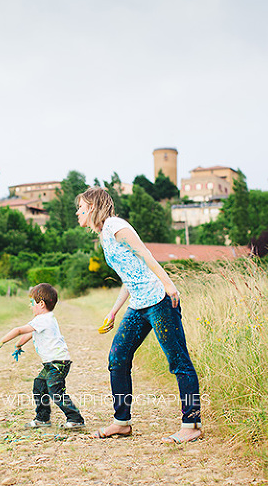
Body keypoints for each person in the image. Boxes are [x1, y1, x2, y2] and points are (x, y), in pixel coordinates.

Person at [76, 186, 202, 443]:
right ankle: (121, 423)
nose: (78, 212)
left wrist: (169, 285)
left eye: (80, 207)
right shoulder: (104, 236)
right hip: (138, 304)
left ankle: (191, 425)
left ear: (92, 207)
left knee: (178, 361)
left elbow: (146, 254)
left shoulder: (116, 226)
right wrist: (113, 311)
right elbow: (130, 275)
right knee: (117, 358)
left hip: (159, 301)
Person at [0, 283, 85, 429]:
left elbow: (19, 330)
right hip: (53, 363)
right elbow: (30, 333)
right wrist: (18, 345)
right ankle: (42, 418)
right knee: (39, 385)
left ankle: (75, 419)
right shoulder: (45, 319)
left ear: (41, 304)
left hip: (58, 363)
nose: (30, 306)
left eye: (32, 302)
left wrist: (1, 341)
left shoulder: (43, 319)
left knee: (55, 390)